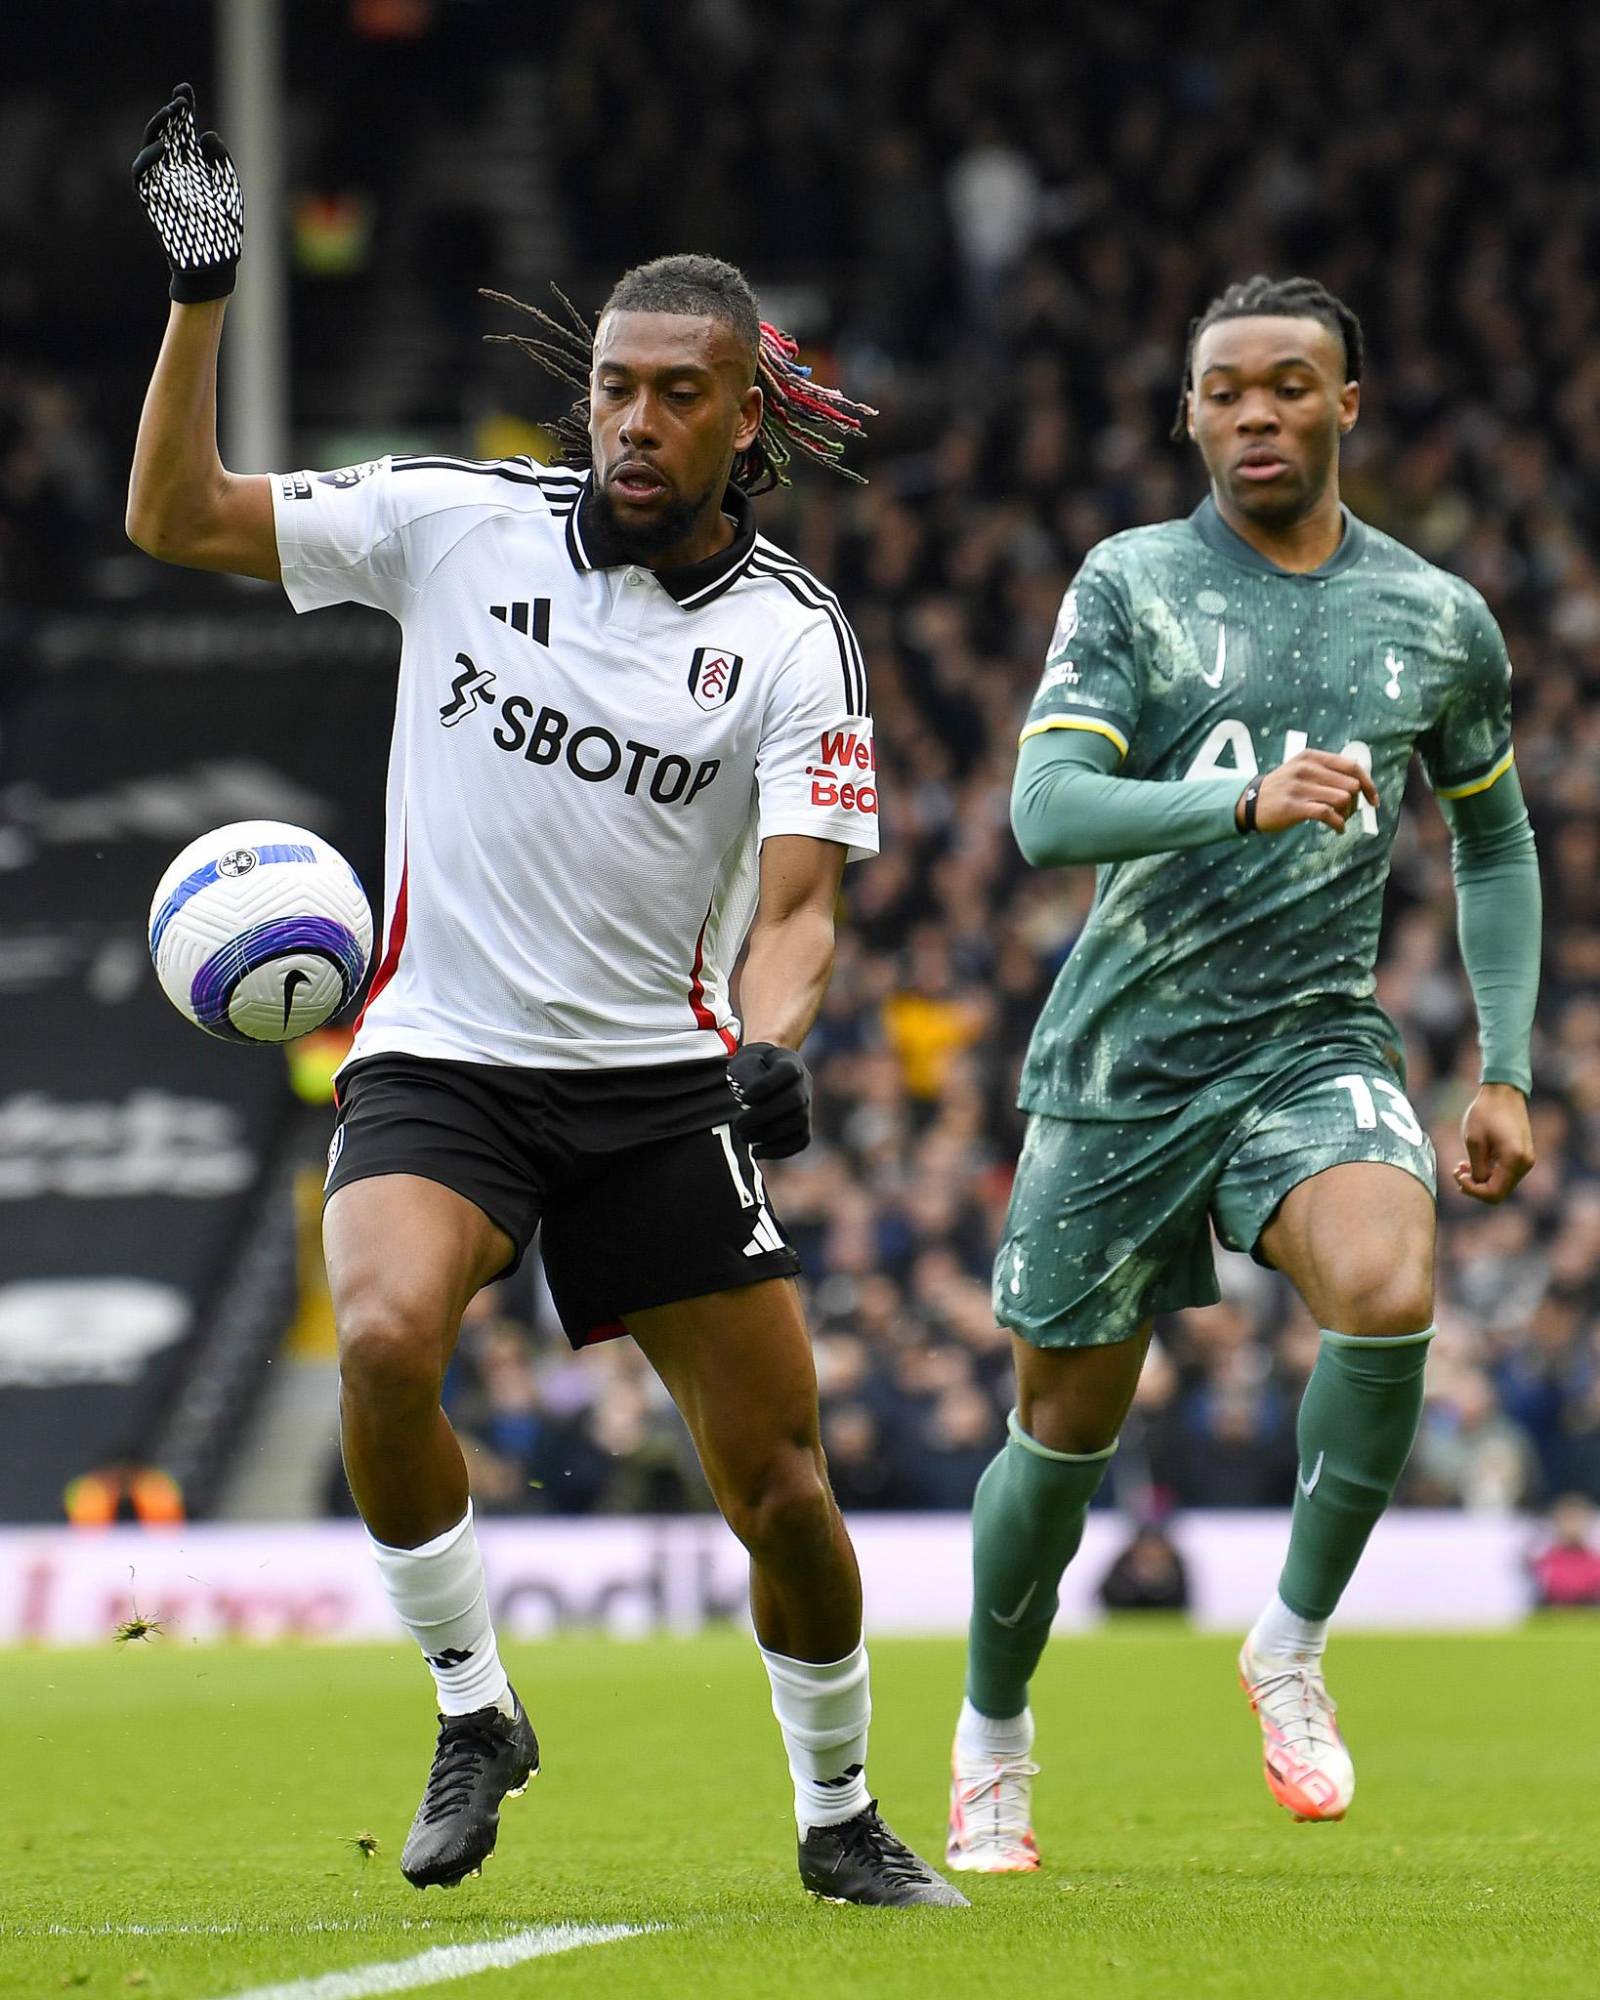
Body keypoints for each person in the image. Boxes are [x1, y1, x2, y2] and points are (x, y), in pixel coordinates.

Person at [128, 83, 962, 1911]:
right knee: (387, 1337)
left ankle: (837, 1812)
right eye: (613, 387)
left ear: (750, 412)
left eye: (678, 393)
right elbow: (179, 514)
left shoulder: (793, 640)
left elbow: (804, 909)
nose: (636, 422)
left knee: (785, 1497)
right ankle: (472, 1706)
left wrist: (773, 1044)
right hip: (440, 1059)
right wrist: (201, 296)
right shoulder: (457, 525)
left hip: (657, 1091)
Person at [945, 275, 1541, 1873]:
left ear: (1349, 405)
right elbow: (1046, 814)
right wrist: (1239, 803)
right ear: (1187, 412)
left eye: (1290, 386)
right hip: (1125, 1060)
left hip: (1313, 1036)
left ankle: (1288, 1642)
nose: (1255, 413)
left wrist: (1508, 1064)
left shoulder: (1435, 616)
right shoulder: (1130, 585)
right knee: (1058, 1442)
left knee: (1390, 1275)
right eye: (1224, 391)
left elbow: (1494, 836)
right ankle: (994, 1732)